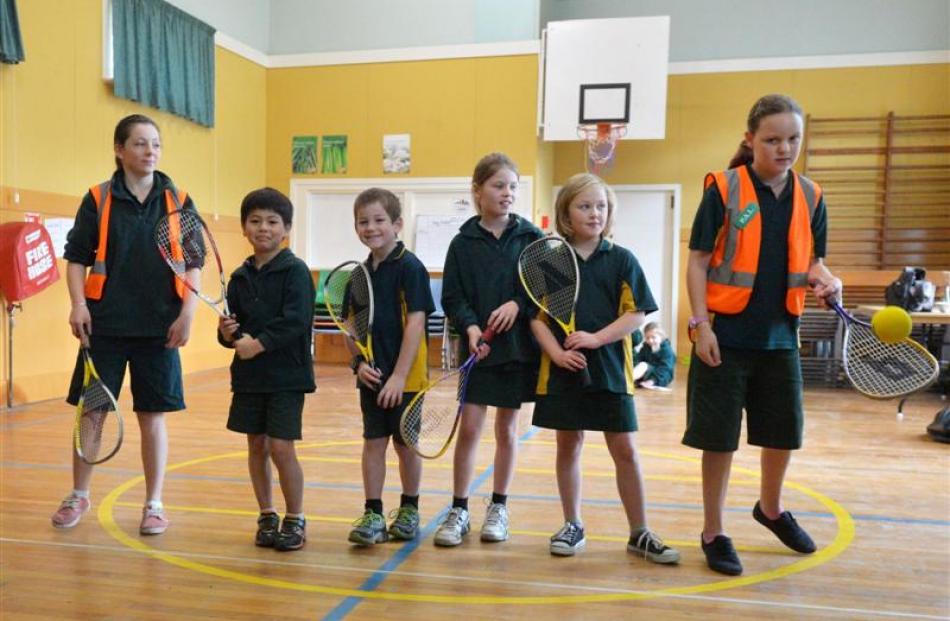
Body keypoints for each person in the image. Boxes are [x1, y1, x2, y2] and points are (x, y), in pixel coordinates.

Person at [684, 94, 842, 575]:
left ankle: (770, 509)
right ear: (750, 139)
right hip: (724, 337)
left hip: (780, 338)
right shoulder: (724, 189)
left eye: (793, 138)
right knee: (719, 440)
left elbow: (812, 259)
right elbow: (698, 260)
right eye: (772, 139)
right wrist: (701, 323)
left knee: (783, 435)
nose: (784, 148)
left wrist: (826, 277)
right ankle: (714, 531)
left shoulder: (812, 196)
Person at [51, 114, 199, 535]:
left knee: (153, 417)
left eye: (155, 144)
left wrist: (187, 313)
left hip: (161, 328)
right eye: (139, 143)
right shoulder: (97, 199)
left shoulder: (178, 199)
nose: (149, 151)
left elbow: (193, 264)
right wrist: (78, 304)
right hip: (105, 327)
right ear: (119, 150)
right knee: (92, 413)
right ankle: (78, 495)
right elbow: (77, 258)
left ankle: (154, 504)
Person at [530, 173, 680, 563]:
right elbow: (536, 319)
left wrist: (596, 339)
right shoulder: (551, 261)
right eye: (584, 206)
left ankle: (639, 531)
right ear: (566, 213)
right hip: (564, 371)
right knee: (569, 445)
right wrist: (558, 354)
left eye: (601, 206)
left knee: (625, 450)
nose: (594, 213)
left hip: (612, 370)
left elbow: (637, 314)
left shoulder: (622, 259)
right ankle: (572, 523)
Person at [436, 153, 544, 546]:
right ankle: (459, 509)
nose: (507, 193)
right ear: (477, 191)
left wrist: (519, 303)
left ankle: (498, 506)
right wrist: (470, 328)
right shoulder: (462, 243)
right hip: (477, 350)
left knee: (507, 430)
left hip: (517, 350)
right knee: (470, 428)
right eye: (499, 185)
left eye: (513, 186)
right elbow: (452, 295)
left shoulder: (532, 238)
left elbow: (543, 289)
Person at [217, 188, 315, 551]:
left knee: (281, 447)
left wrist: (256, 344)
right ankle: (267, 514)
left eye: (272, 222)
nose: (263, 228)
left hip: (287, 376)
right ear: (244, 228)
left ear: (286, 228)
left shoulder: (296, 272)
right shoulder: (240, 277)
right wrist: (228, 335)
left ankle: (296, 517)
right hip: (249, 378)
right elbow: (232, 329)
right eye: (255, 221)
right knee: (256, 445)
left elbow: (295, 322)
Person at [345, 188, 434, 546]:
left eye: (379, 220)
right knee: (373, 443)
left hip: (406, 379)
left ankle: (410, 509)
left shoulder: (410, 267)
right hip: (372, 377)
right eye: (363, 222)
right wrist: (358, 364)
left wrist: (399, 377)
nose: (371, 227)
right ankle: (373, 513)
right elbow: (350, 327)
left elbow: (415, 324)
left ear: (396, 224)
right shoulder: (358, 275)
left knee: (405, 444)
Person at [633, 322, 676, 390]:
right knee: (639, 364)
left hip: (661, 377)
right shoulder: (645, 348)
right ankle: (630, 379)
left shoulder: (667, 351)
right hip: (648, 374)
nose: (650, 340)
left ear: (661, 336)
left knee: (643, 365)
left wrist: (652, 381)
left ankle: (626, 381)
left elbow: (665, 368)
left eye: (653, 337)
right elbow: (638, 359)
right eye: (647, 338)